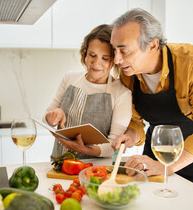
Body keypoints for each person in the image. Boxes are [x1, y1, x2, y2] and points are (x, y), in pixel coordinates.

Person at [111, 8, 193, 196]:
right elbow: (136, 122)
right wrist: (131, 136)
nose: (117, 59)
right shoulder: (127, 72)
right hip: (155, 157)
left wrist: (167, 167)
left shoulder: (192, 61)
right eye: (114, 50)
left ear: (153, 45)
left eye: (123, 50)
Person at [44, 24, 132, 159]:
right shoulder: (70, 78)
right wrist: (53, 116)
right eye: (92, 55)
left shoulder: (121, 93)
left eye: (105, 58)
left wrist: (85, 150)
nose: (96, 64)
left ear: (114, 60)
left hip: (96, 171)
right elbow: (46, 119)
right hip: (60, 164)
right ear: (85, 53)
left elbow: (115, 144)